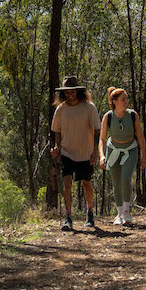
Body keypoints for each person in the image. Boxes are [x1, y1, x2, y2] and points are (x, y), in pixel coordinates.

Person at [50, 76, 101, 230]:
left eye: (72, 91)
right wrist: (57, 148)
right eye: (67, 92)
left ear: (78, 91)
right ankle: (67, 217)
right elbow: (57, 131)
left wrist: (95, 151)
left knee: (86, 183)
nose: (70, 94)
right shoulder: (61, 109)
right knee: (67, 183)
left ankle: (90, 213)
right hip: (67, 152)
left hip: (85, 152)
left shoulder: (89, 107)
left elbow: (97, 130)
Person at [99, 86, 146, 225]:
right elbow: (102, 139)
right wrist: (102, 156)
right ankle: (119, 213)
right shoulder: (108, 116)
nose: (126, 101)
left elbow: (140, 137)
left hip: (130, 150)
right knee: (116, 182)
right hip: (113, 151)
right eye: (123, 99)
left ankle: (127, 213)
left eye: (126, 98)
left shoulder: (133, 115)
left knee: (125, 179)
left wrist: (143, 157)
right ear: (114, 101)